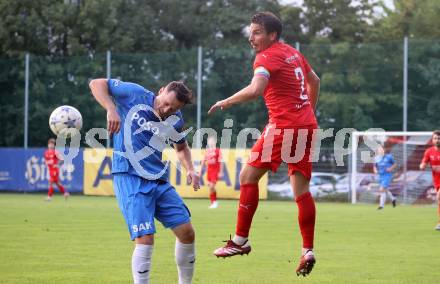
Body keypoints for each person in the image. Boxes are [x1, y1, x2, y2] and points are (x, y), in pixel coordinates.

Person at [208, 12, 320, 276]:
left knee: (247, 177)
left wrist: (227, 101)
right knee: (301, 191)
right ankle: (308, 250)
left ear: (272, 35)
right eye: (251, 31)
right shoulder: (293, 53)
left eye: (257, 32)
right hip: (306, 126)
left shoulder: (265, 57)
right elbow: (314, 80)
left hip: (283, 126)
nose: (251, 37)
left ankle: (239, 241)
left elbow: (256, 89)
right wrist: (309, 113)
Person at [89, 78, 200, 284]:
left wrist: (191, 169)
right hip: (129, 176)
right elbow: (96, 83)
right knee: (145, 239)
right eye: (165, 102)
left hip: (158, 178)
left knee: (187, 232)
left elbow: (181, 147)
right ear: (160, 90)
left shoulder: (175, 119)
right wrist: (111, 109)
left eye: (173, 108)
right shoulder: (134, 94)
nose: (166, 109)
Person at [419, 130, 440, 230]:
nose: (437, 140)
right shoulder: (429, 151)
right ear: (432, 140)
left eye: (439, 138)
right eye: (435, 138)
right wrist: (422, 165)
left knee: (439, 198)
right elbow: (423, 163)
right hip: (437, 181)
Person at [201, 136, 223, 209]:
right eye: (209, 141)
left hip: (215, 171)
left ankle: (214, 202)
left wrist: (221, 172)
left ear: (215, 142)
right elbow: (203, 161)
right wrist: (200, 171)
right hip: (209, 172)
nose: (210, 142)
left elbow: (221, 161)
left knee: (211, 186)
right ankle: (213, 202)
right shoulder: (207, 151)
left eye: (212, 141)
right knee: (210, 187)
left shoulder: (217, 150)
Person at [373, 144, 397, 210]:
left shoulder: (389, 157)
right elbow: (375, 166)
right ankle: (393, 198)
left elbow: (395, 164)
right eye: (379, 150)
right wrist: (375, 170)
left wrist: (391, 168)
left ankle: (381, 206)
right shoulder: (376, 158)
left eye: (381, 149)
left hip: (387, 175)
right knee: (384, 189)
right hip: (380, 176)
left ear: (384, 150)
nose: (380, 151)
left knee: (381, 189)